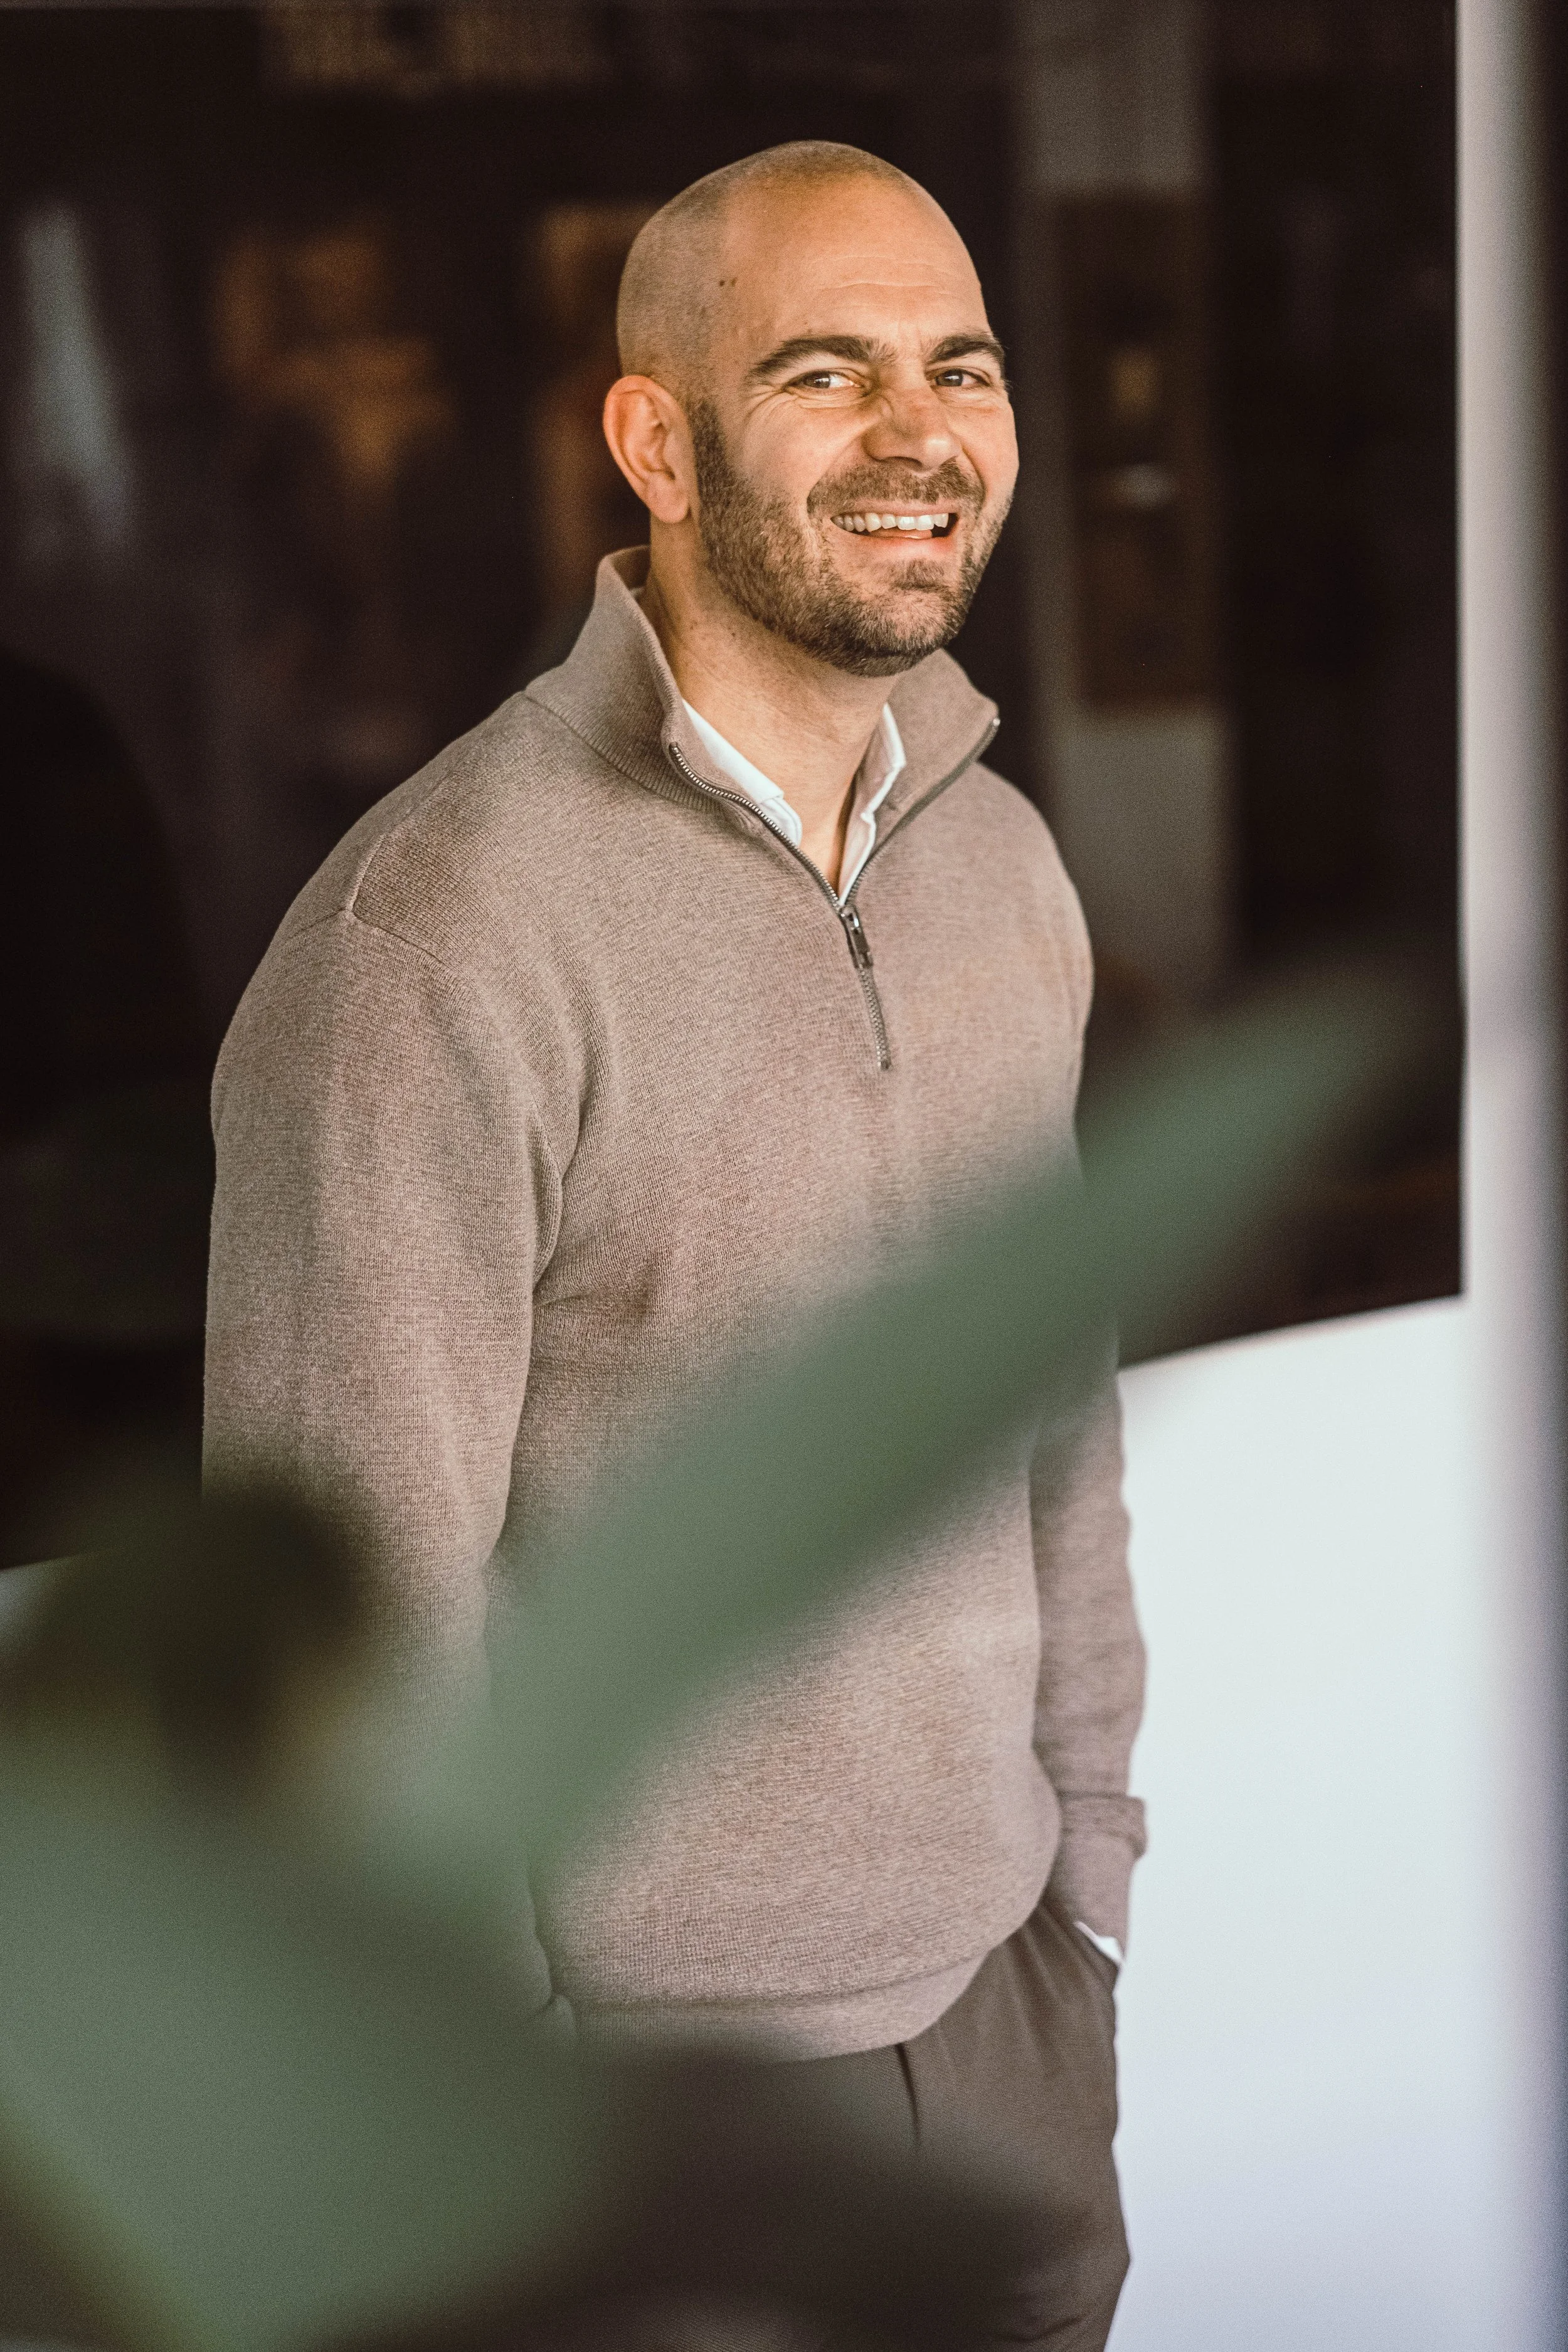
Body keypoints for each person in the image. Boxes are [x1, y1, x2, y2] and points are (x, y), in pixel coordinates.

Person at [204, 143, 1146, 2350]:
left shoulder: (1001, 862)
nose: (920, 437)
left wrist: (1082, 1874)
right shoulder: (433, 933)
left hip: (1009, 2028)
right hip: (641, 2117)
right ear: (655, 438)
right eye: (826, 372)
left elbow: (1052, 1414)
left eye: (961, 368)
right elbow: (337, 1654)